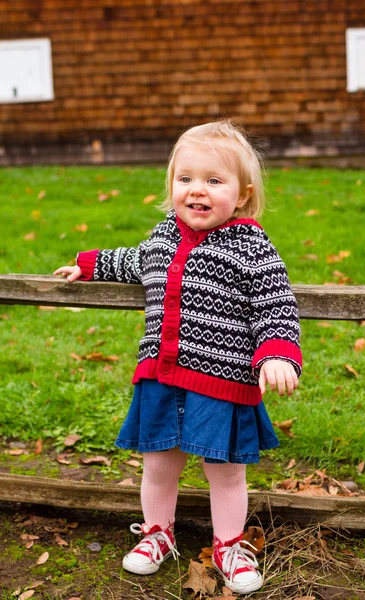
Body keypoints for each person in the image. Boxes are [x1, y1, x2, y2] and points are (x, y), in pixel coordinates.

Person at [54, 120, 302, 594]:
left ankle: (229, 543)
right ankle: (157, 534)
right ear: (171, 186)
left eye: (214, 180)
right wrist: (89, 263)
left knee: (225, 470)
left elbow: (276, 304)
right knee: (158, 463)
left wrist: (277, 353)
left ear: (243, 194)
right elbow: (132, 260)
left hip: (222, 381)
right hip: (162, 378)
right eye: (185, 178)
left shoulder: (252, 247)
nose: (197, 191)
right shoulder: (163, 238)